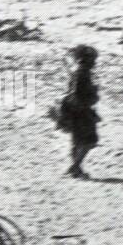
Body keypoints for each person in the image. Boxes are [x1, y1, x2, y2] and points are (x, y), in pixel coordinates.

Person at [52, 45, 101, 179]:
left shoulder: (79, 71)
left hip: (75, 111)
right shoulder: (82, 73)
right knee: (88, 141)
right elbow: (78, 95)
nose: (94, 63)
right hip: (81, 112)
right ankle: (74, 167)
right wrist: (93, 97)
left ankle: (75, 168)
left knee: (77, 141)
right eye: (92, 60)